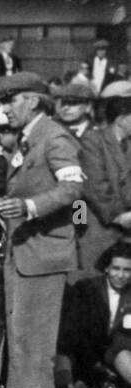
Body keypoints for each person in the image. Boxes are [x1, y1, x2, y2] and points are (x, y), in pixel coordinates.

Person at [0, 72, 83, 388]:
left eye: (9, 101)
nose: (4, 110)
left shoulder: (54, 137)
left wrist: (30, 206)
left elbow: (74, 188)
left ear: (31, 99)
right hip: (26, 252)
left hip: (43, 255)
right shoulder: (31, 139)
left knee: (36, 338)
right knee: (21, 335)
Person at [61, 240, 131, 388]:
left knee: (122, 351)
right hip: (87, 351)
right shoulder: (87, 289)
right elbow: (76, 329)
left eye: (127, 270)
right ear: (107, 268)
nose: (120, 275)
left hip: (118, 351)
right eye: (116, 269)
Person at [76, 89, 131, 280]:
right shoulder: (93, 140)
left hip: (125, 229)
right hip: (98, 226)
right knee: (93, 283)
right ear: (122, 119)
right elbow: (95, 185)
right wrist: (118, 215)